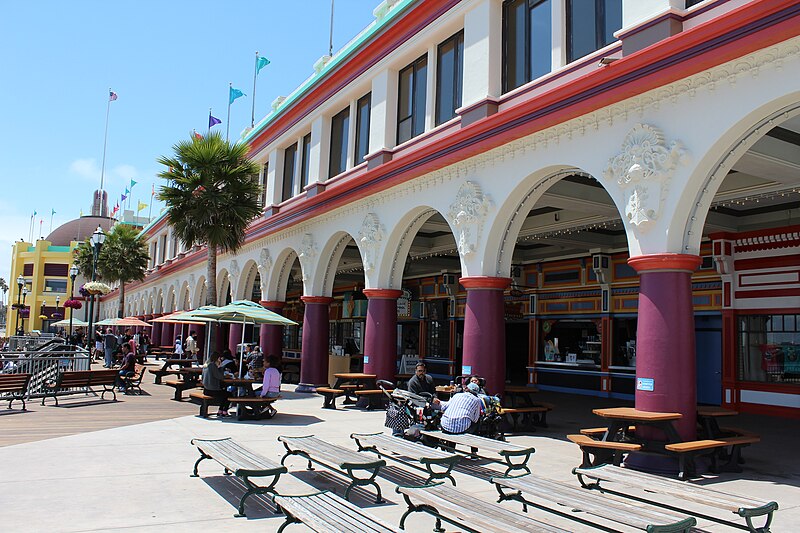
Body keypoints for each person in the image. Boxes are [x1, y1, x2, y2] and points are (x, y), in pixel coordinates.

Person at [202, 351, 230, 417]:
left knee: (225, 393)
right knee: (229, 394)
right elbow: (220, 377)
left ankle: (220, 410)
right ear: (217, 358)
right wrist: (220, 367)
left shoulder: (206, 365)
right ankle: (224, 411)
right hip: (213, 389)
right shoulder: (212, 365)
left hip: (206, 389)